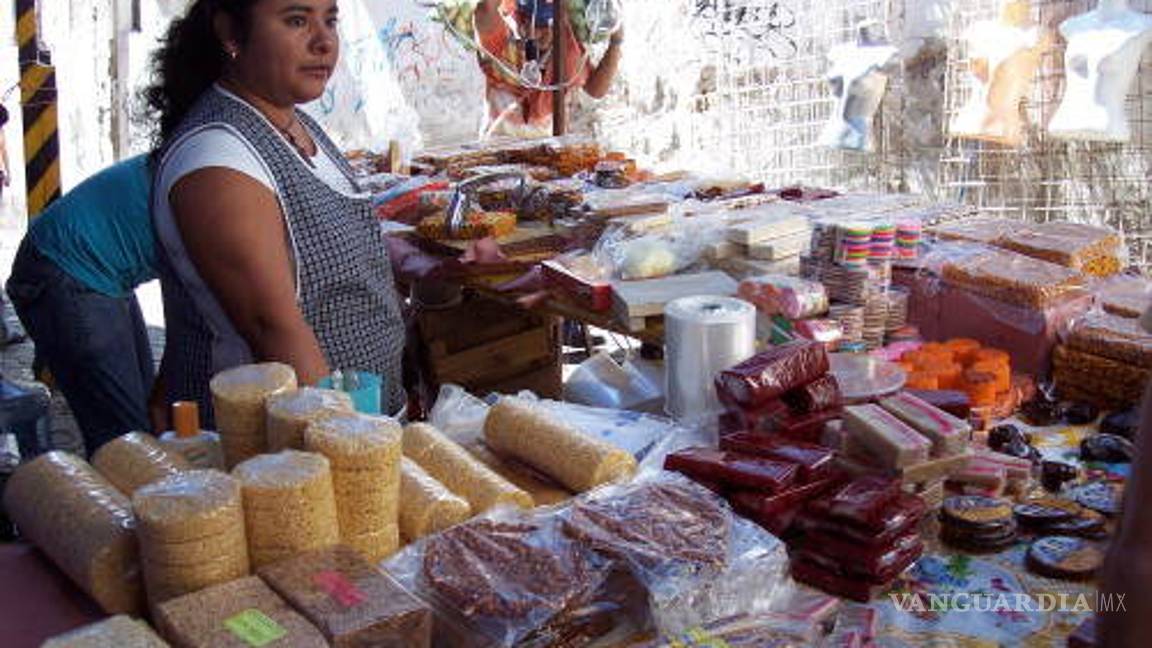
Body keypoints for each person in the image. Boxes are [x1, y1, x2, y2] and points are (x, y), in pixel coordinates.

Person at [144, 0, 407, 424]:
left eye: (330, 20)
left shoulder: (294, 123)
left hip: (360, 430)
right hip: (275, 451)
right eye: (296, 20)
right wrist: (350, 443)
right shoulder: (218, 159)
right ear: (231, 33)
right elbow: (273, 328)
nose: (324, 42)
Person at [4, 155, 156, 455]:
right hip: (67, 267)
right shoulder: (214, 168)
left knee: (147, 420)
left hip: (102, 267)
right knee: (127, 441)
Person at [474, 0, 623, 138]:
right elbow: (486, 9)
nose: (540, 34)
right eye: (533, 26)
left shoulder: (566, 49)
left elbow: (595, 89)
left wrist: (616, 41)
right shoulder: (501, 40)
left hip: (546, 152)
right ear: (519, 18)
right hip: (497, 152)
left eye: (548, 27)